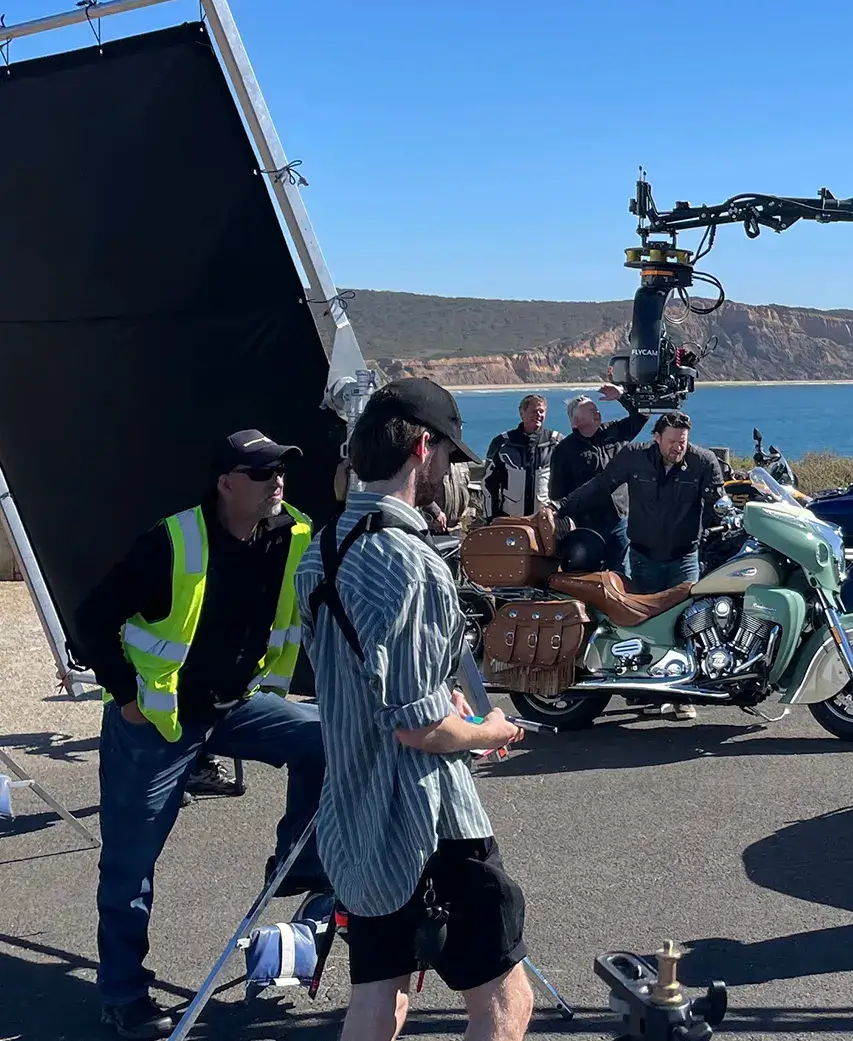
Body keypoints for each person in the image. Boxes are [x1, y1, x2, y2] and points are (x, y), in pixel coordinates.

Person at [294, 377, 533, 1041]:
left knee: (378, 994)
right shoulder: (412, 562)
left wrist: (432, 694)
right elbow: (421, 725)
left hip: (354, 816)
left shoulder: (320, 553)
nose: (448, 474)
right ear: (421, 446)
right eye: (447, 459)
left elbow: (362, 681)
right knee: (506, 999)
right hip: (429, 823)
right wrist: (489, 726)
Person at [75, 429, 328, 1039]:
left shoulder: (295, 532)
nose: (278, 484)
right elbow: (90, 621)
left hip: (235, 707)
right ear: (226, 484)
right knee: (129, 864)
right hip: (157, 722)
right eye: (263, 474)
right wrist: (130, 698)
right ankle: (123, 996)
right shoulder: (171, 540)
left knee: (330, 737)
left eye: (282, 473)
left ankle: (297, 864)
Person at [550, 411, 724, 722]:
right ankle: (647, 689)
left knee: (686, 625)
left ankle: (681, 697)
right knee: (645, 627)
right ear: (657, 438)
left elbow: (716, 502)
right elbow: (600, 485)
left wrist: (728, 522)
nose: (677, 448)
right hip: (644, 555)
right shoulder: (634, 457)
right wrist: (562, 506)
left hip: (685, 556)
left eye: (682, 442)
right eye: (671, 442)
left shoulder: (703, 461)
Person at [549, 383, 650, 576]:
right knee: (588, 575)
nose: (597, 411)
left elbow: (641, 416)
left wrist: (622, 395)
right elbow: (557, 491)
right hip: (587, 524)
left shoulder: (613, 431)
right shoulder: (564, 449)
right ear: (576, 421)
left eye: (596, 408)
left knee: (623, 573)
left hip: (620, 519)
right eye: (590, 410)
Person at [481, 393, 561, 521]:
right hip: (511, 518)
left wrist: (559, 510)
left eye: (541, 411)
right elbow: (488, 483)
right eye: (534, 411)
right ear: (521, 412)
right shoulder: (503, 443)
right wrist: (492, 517)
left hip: (545, 519)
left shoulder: (555, 442)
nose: (538, 415)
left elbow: (567, 479)